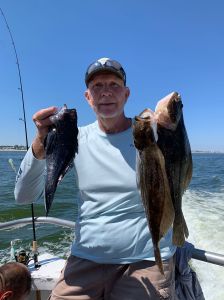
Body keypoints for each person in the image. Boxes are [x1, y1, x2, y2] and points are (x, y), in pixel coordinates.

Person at [14, 57, 177, 299]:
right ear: (88, 97)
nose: (106, 93)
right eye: (97, 87)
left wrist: (167, 127)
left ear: (126, 94)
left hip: (147, 259)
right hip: (86, 257)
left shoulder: (150, 131)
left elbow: (178, 170)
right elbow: (23, 196)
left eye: (113, 84)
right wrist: (40, 142)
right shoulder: (72, 137)